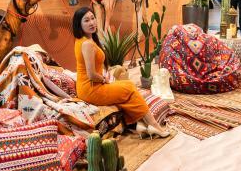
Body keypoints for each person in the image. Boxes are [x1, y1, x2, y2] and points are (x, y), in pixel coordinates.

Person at [72, 8, 171, 138]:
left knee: (127, 88)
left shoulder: (83, 40)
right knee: (129, 88)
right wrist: (103, 79)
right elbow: (91, 75)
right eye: (86, 20)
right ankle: (153, 125)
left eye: (92, 18)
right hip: (90, 89)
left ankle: (140, 124)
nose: (91, 22)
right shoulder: (87, 44)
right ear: (79, 24)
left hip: (88, 87)